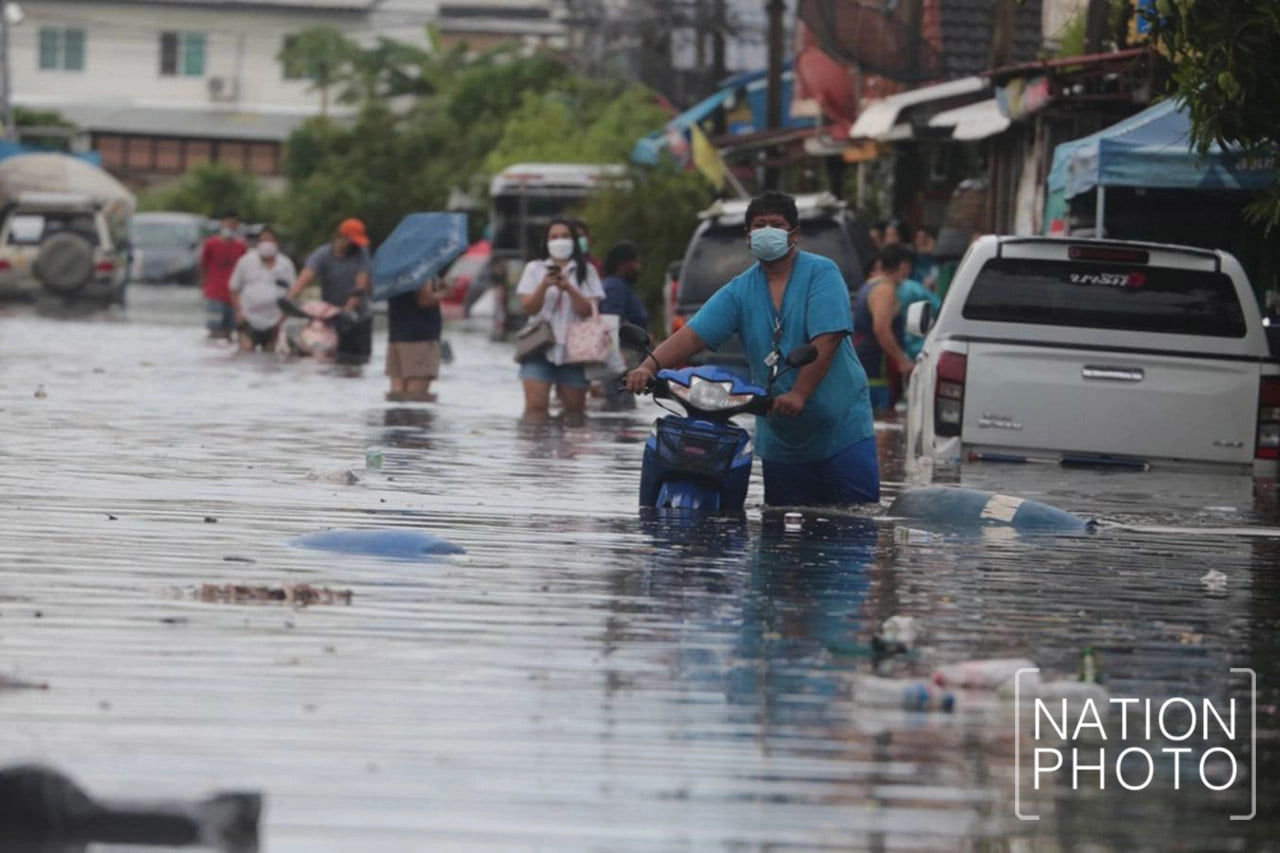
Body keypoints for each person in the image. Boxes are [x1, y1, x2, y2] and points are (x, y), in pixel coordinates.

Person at [624, 191, 879, 507]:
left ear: (794, 234)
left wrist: (799, 393)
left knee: (855, 526)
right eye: (760, 225)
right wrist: (649, 367)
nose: (767, 231)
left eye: (776, 224)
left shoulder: (822, 273)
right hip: (781, 436)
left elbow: (826, 339)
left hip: (841, 430)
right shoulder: (739, 290)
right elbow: (691, 336)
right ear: (748, 237)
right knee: (782, 534)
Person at [516, 219, 605, 420]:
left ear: (573, 240)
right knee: (535, 411)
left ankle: (567, 451)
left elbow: (588, 311)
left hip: (575, 350)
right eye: (554, 237)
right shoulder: (534, 268)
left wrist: (569, 288)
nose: (559, 241)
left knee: (574, 414)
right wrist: (544, 285)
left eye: (565, 236)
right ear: (546, 242)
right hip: (538, 346)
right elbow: (528, 307)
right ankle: (537, 451)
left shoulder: (587, 271)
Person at [287, 218, 373, 365]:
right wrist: (289, 299)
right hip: (329, 317)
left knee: (358, 361)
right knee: (327, 361)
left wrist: (348, 308)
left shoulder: (362, 254)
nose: (355, 246)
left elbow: (361, 283)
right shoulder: (323, 254)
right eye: (352, 241)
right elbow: (306, 277)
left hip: (358, 317)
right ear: (340, 237)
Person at [853, 244, 915, 411]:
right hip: (876, 370)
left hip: (864, 363)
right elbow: (881, 329)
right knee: (881, 424)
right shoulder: (885, 289)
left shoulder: (869, 285)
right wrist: (902, 361)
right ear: (903, 266)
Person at [228, 226, 295, 353]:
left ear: (276, 243)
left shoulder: (286, 265)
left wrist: (285, 318)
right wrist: (238, 312)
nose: (267, 244)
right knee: (246, 354)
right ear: (258, 244)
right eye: (263, 241)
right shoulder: (245, 261)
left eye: (270, 240)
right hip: (249, 319)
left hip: (275, 321)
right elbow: (233, 288)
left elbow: (293, 292)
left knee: (271, 358)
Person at [599, 240, 649, 411]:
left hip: (624, 356)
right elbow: (611, 320)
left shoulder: (619, 286)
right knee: (621, 404)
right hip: (621, 357)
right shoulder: (615, 287)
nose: (638, 267)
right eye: (636, 262)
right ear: (623, 264)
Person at [386, 275, 444, 403]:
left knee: (397, 394)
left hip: (396, 336)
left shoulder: (393, 267)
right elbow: (424, 300)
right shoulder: (420, 267)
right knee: (417, 398)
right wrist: (445, 293)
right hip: (420, 338)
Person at [200, 210, 247, 341]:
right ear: (222, 224)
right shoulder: (211, 244)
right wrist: (203, 287)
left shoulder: (241, 246)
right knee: (214, 331)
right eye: (229, 223)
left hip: (233, 296)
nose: (231, 227)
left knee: (230, 332)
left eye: (234, 224)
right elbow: (203, 266)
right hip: (214, 294)